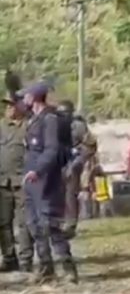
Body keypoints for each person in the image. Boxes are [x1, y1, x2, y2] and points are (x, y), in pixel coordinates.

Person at [20, 82, 78, 284]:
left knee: (50, 223)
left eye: (26, 95)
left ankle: (67, 267)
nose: (23, 99)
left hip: (45, 178)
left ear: (34, 97)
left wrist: (38, 170)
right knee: (34, 224)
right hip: (30, 179)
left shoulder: (50, 119)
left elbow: (52, 150)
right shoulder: (32, 120)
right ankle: (46, 267)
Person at [0, 95, 34, 273]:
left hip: (23, 181)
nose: (9, 109)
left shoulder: (30, 126)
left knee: (25, 222)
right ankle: (8, 258)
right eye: (7, 106)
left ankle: (26, 259)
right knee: (3, 222)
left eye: (13, 105)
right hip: (2, 181)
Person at [57, 100, 98, 239]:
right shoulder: (54, 125)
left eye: (66, 113)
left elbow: (91, 145)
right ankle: (57, 222)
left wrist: (78, 162)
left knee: (70, 194)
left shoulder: (78, 126)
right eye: (61, 113)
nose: (63, 116)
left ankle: (70, 225)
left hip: (73, 163)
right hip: (57, 163)